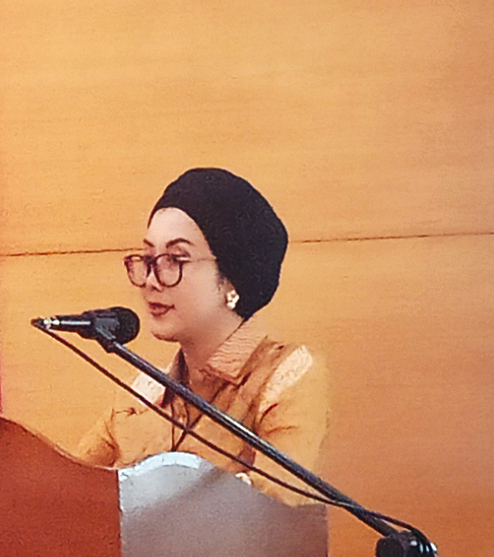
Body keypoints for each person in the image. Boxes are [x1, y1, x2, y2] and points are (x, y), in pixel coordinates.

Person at [75, 167, 330, 507]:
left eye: (175, 260)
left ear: (231, 279)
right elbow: (62, 489)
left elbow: (272, 507)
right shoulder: (143, 395)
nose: (151, 280)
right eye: (149, 259)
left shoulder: (286, 377)